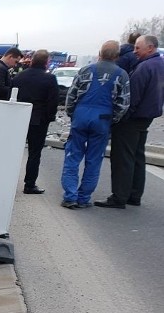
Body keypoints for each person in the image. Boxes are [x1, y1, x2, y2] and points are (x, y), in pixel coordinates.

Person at [95, 35, 164, 209]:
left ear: (150, 48)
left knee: (123, 158)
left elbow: (131, 98)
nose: (135, 52)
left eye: (138, 48)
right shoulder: (159, 65)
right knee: (137, 156)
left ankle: (119, 197)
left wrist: (119, 118)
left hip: (132, 119)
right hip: (147, 117)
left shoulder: (144, 68)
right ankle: (134, 194)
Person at [60, 41, 130, 209]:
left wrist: (72, 114)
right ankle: (84, 198)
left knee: (73, 156)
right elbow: (124, 103)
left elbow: (72, 95)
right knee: (94, 160)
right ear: (117, 56)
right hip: (103, 119)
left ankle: (70, 196)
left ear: (100, 53)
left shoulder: (85, 70)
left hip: (81, 115)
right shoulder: (121, 75)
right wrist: (112, 120)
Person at [11, 49, 59, 194]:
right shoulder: (49, 79)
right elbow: (53, 102)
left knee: (13, 152)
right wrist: (49, 118)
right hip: (38, 121)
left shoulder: (19, 77)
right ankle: (29, 184)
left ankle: (8, 181)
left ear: (32, 60)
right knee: (34, 153)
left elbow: (11, 96)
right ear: (46, 62)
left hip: (19, 119)